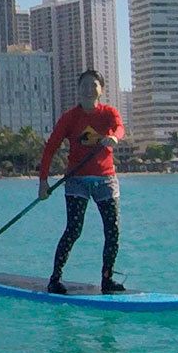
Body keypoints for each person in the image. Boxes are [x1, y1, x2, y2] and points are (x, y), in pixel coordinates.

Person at [37, 68, 128, 294]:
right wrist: (43, 182)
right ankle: (55, 279)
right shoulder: (70, 118)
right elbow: (50, 148)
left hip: (105, 180)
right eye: (84, 85)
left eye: (94, 85)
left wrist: (114, 137)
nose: (89, 89)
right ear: (78, 90)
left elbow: (120, 127)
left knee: (112, 230)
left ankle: (107, 279)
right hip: (76, 181)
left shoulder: (109, 113)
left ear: (101, 90)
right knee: (74, 230)